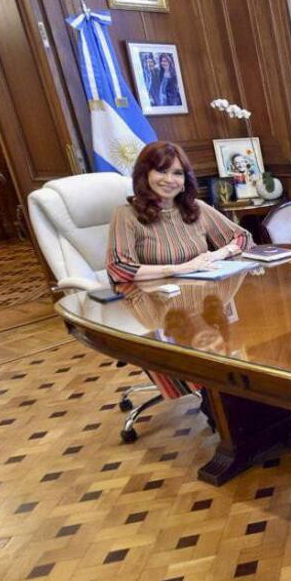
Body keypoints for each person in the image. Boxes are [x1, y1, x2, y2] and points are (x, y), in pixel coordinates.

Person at [106, 140, 253, 398]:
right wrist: (178, 268)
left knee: (237, 367)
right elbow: (119, 268)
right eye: (161, 171)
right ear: (145, 175)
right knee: (206, 371)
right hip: (157, 310)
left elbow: (242, 238)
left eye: (177, 173)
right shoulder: (127, 215)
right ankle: (215, 410)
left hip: (201, 304)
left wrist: (218, 253)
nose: (169, 179)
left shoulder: (196, 210)